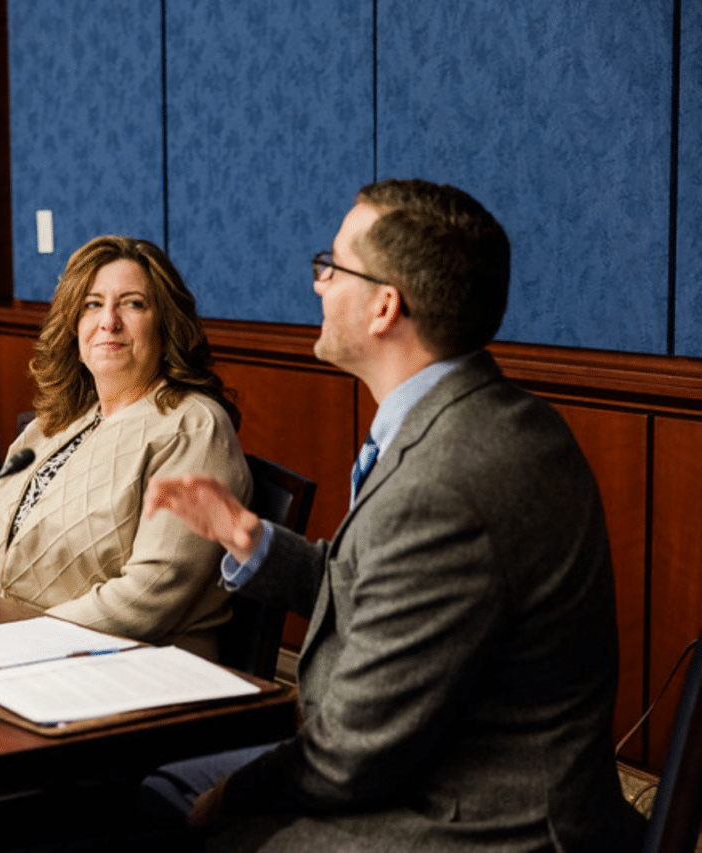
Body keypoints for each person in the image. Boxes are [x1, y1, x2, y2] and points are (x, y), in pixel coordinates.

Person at [140, 179, 644, 851]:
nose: (318, 282)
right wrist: (249, 537)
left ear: (385, 306)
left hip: (478, 820)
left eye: (333, 265)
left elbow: (349, 754)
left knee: (171, 810)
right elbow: (387, 589)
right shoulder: (487, 413)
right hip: (432, 766)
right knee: (154, 786)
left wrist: (229, 797)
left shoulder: (444, 478)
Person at [0, 235, 251, 660]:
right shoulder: (56, 423)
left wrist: (25, 641)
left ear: (166, 323)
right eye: (92, 304)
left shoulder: (193, 425)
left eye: (133, 304)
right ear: (74, 323)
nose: (109, 321)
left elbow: (150, 592)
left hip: (134, 667)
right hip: (19, 652)